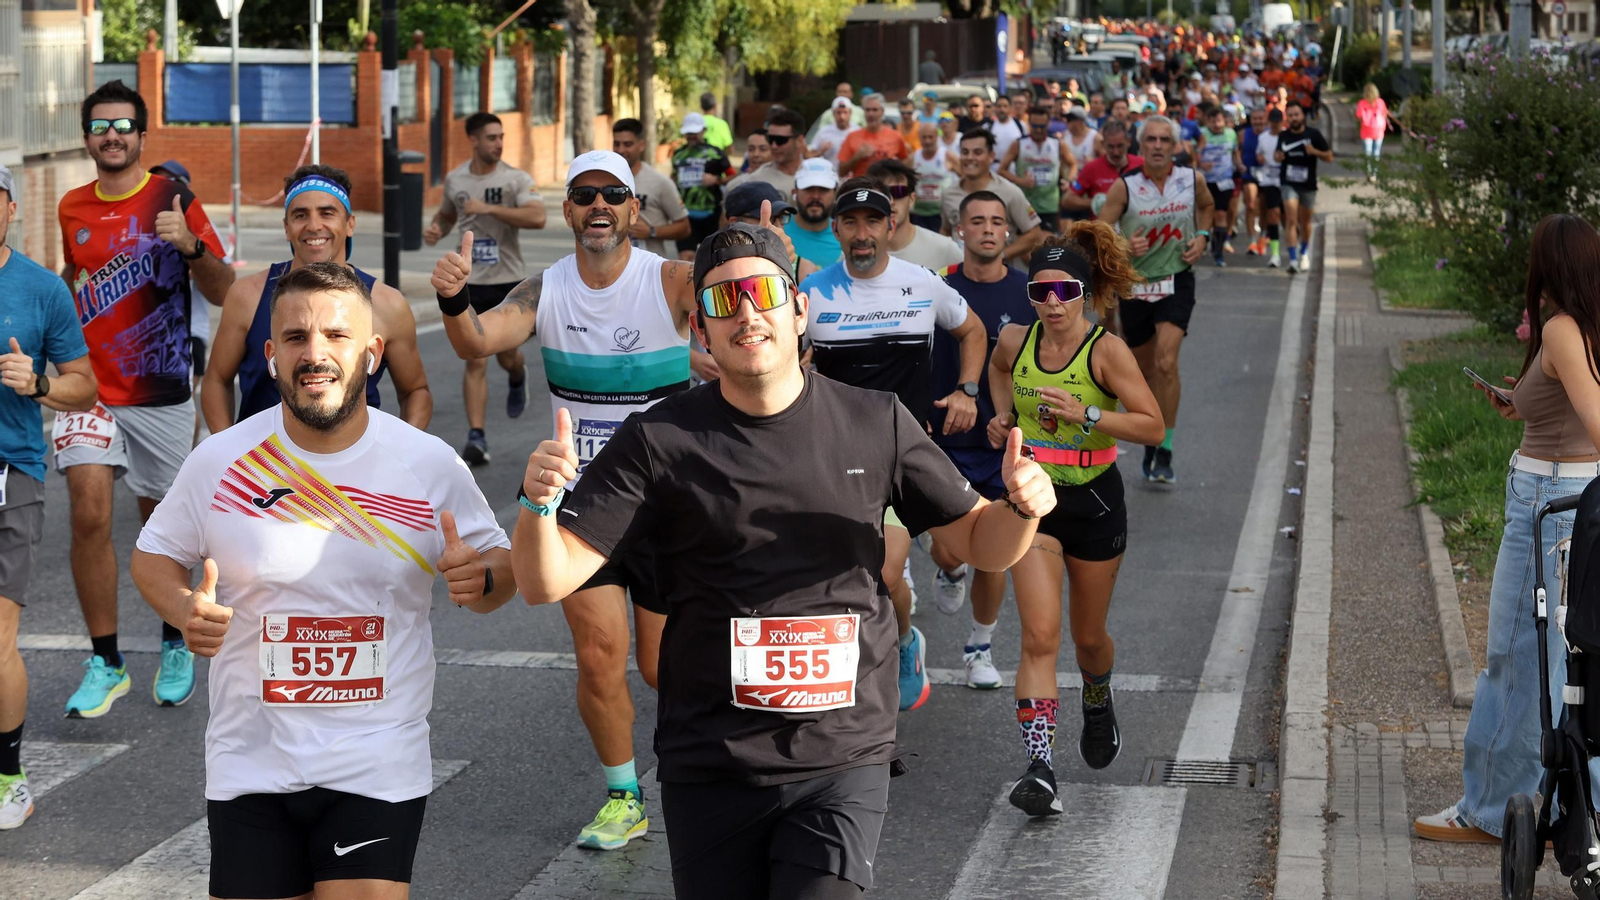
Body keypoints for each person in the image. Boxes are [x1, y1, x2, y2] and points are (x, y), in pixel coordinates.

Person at [512, 221, 1054, 899]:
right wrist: (537, 506)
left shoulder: (876, 419)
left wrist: (1022, 508)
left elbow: (979, 541)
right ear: (700, 332)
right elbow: (546, 579)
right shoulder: (660, 438)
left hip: (841, 753)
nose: (745, 312)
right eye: (720, 301)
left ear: (800, 309)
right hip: (711, 759)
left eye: (764, 292)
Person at [131, 261, 517, 898]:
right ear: (271, 354)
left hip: (376, 759)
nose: (316, 355)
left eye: (336, 337)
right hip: (250, 759)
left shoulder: (427, 464)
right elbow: (154, 556)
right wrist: (182, 608)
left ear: (371, 352)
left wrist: (483, 579)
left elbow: (500, 572)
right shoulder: (221, 460)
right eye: (296, 338)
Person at [431, 151, 744, 849]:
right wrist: (455, 297)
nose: (598, 205)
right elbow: (476, 340)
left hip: (669, 505)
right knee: (600, 653)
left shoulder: (671, 281)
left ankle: (723, 764)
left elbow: (742, 331)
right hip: (582, 504)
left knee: (664, 667)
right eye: (584, 195)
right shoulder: (546, 290)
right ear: (568, 210)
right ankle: (623, 794)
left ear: (636, 210)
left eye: (613, 195)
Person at [1415, 215, 1600, 844]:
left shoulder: (1561, 328)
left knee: (1519, 657)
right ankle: (1574, 808)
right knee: (1575, 660)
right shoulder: (1589, 326)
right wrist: (1517, 398)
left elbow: (1594, 416)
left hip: (1550, 501)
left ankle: (1492, 810)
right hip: (1572, 493)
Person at [55, 79, 235, 717]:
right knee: (88, 509)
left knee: (166, 526)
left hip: (161, 390)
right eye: (101, 126)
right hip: (89, 390)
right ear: (86, 137)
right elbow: (72, 284)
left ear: (141, 134)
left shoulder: (173, 196)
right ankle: (105, 660)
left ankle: (174, 638)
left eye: (124, 126)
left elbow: (223, 289)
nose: (112, 136)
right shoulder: (71, 206)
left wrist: (189, 246)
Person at [986, 229, 1165, 813]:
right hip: (1034, 506)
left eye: (1065, 290)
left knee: (1088, 640)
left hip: (1095, 501)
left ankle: (1097, 694)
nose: (1054, 302)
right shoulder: (1017, 339)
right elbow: (996, 366)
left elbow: (1152, 426)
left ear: (1084, 293)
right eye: (1041, 291)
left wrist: (1089, 412)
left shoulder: (1105, 350)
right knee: (1038, 638)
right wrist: (1004, 414)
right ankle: (1040, 767)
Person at [802, 180, 989, 714]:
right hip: (830, 452)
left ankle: (906, 643)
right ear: (836, 229)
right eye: (850, 223)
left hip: (901, 453)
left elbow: (973, 331)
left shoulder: (923, 284)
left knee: (886, 571)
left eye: (872, 223)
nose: (862, 235)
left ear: (890, 227)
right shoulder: (812, 294)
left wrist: (968, 390)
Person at [0, 164, 99, 829]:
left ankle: (7, 776)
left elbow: (84, 386)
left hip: (10, 473)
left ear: (8, 206)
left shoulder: (40, 290)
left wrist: (36, 384)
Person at [207, 165, 433, 436]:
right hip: (266, 471)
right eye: (300, 215)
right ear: (287, 228)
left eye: (327, 213)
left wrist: (397, 455)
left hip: (352, 470)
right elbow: (217, 381)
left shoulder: (386, 304)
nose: (314, 226)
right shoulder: (247, 295)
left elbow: (415, 392)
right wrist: (227, 452)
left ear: (349, 224)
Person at [926, 192, 1032, 691]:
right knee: (950, 552)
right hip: (946, 440)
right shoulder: (937, 289)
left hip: (1003, 445)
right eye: (977, 221)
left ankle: (980, 646)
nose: (988, 229)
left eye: (997, 221)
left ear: (1008, 232)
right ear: (959, 230)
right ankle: (948, 572)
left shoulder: (1030, 292)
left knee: (994, 551)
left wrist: (1017, 421)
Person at [1098, 115, 1212, 486]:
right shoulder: (1125, 187)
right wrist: (1123, 245)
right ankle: (1151, 433)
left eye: (1165, 139)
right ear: (1140, 146)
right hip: (1137, 285)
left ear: (1175, 145)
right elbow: (1099, 232)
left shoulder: (1191, 180)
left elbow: (1208, 207)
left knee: (1166, 362)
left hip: (1177, 279)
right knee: (1145, 371)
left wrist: (1204, 237)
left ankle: (1166, 448)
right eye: (1151, 140)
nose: (1159, 146)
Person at [422, 112, 542, 462]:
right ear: (473, 140)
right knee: (475, 358)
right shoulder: (456, 179)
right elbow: (448, 215)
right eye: (491, 137)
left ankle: (518, 374)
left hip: (509, 280)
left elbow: (537, 217)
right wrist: (436, 229)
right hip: (469, 281)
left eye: (501, 136)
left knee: (506, 357)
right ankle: (477, 437)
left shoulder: (515, 179)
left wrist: (488, 208)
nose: (498, 143)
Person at [939, 130, 1045, 265]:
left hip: (997, 276)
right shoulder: (948, 194)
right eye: (965, 152)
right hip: (958, 274)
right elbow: (946, 230)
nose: (970, 158)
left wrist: (1001, 255)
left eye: (977, 153)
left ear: (991, 156)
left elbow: (1034, 234)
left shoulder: (1010, 192)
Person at [608, 118, 694, 261]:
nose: (621, 150)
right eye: (616, 144)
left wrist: (652, 231)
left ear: (641, 145)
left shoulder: (660, 182)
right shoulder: (605, 180)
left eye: (627, 144)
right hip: (611, 266)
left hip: (649, 268)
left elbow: (684, 227)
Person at [871, 159, 962, 272]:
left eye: (898, 192)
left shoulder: (945, 249)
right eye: (882, 194)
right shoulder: (859, 253)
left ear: (912, 199)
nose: (891, 201)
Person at [1274, 102, 1332, 274]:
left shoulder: (1313, 134)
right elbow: (1277, 156)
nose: (1293, 118)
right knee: (1291, 220)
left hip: (1308, 184)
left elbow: (1329, 157)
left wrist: (1315, 152)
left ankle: (1304, 252)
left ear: (1303, 116)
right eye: (1290, 115)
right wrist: (1278, 157)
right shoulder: (1283, 136)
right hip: (1288, 182)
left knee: (1305, 222)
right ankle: (1292, 259)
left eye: (1296, 115)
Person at [998, 106, 1074, 236]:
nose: (1038, 130)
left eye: (1042, 126)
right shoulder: (1019, 144)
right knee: (1026, 242)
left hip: (1049, 203)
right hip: (1025, 203)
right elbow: (1002, 170)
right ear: (1029, 124)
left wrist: (1068, 181)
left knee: (1047, 241)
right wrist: (1021, 181)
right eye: (1034, 126)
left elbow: (1073, 164)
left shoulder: (1058, 144)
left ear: (1048, 123)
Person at [672, 113, 737, 262]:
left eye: (695, 133)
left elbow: (733, 175)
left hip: (711, 214)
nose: (692, 136)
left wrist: (716, 180)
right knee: (685, 258)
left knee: (713, 259)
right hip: (686, 215)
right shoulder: (677, 154)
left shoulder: (716, 153)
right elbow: (673, 176)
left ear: (703, 131)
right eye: (689, 133)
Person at [1061, 119, 1142, 221]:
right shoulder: (1092, 168)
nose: (1116, 152)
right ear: (1103, 144)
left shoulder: (1141, 164)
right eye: (1111, 147)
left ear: (1129, 142)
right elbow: (1067, 200)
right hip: (1103, 231)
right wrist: (1096, 202)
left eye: (1120, 146)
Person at [1195, 104, 1242, 267]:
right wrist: (1201, 163)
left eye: (1220, 121)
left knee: (1221, 215)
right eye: (1213, 121)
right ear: (1207, 122)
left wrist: (1240, 165)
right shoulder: (1202, 134)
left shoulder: (1231, 134)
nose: (1217, 124)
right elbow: (1195, 154)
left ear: (1224, 121)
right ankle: (1203, 242)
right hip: (1206, 182)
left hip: (1224, 181)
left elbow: (1235, 153)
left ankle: (1219, 252)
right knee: (1206, 215)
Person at [728, 109, 807, 197]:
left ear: (799, 141)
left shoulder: (815, 174)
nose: (774, 146)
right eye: (770, 139)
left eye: (780, 140)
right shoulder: (754, 181)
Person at [786, 159, 843, 269]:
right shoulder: (778, 229)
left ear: (835, 194)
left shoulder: (846, 234)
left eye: (824, 189)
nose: (816, 196)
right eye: (808, 189)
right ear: (795, 192)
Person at [836, 94, 909, 179]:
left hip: (886, 189)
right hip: (862, 188)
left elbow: (905, 162)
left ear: (882, 111)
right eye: (867, 110)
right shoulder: (852, 136)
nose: (871, 114)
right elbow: (841, 172)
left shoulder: (895, 136)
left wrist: (894, 167)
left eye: (875, 110)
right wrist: (856, 157)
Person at [909, 122, 955, 232]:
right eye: (924, 137)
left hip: (940, 213)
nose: (927, 141)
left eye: (930, 137)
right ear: (919, 137)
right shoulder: (913, 157)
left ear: (937, 136)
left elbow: (964, 175)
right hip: (919, 213)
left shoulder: (947, 155)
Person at [1355, 83, 1395, 183]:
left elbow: (1359, 115)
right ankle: (1374, 174)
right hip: (1378, 130)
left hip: (1366, 131)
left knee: (1367, 153)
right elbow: (1385, 113)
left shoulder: (1362, 103)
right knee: (1376, 152)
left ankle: (1368, 172)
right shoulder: (1380, 102)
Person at [983, 96, 1028, 172]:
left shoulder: (1020, 125)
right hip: (993, 169)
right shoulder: (988, 127)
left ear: (1010, 108)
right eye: (999, 106)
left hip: (1015, 169)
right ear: (994, 108)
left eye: (1005, 106)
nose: (1002, 109)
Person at [811, 97, 858, 169]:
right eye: (838, 113)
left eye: (845, 112)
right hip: (830, 174)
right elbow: (810, 156)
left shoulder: (857, 131)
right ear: (833, 113)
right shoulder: (824, 131)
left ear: (850, 113)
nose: (842, 117)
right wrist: (821, 151)